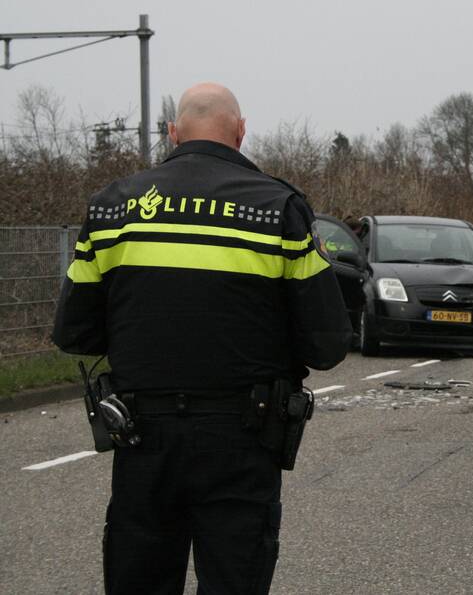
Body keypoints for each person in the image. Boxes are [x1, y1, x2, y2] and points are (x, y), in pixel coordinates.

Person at [52, 82, 352, 593]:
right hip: (244, 435)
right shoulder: (277, 208)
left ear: (172, 133)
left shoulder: (112, 208)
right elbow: (326, 345)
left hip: (141, 435)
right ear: (240, 131)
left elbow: (75, 333)